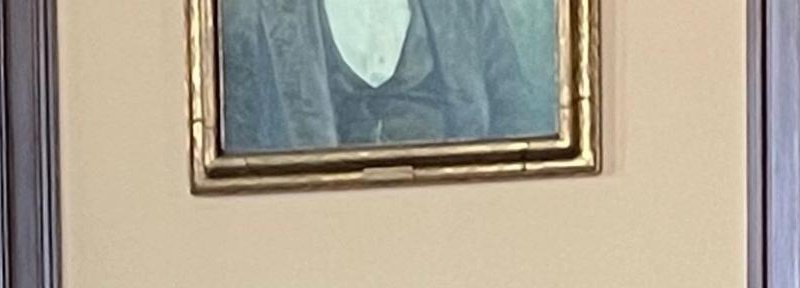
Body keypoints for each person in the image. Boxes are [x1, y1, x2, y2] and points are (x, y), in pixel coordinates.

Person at [220, 0, 553, 152]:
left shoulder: (468, 7)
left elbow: (517, 123)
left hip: (453, 218)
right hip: (317, 227)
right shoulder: (255, 16)